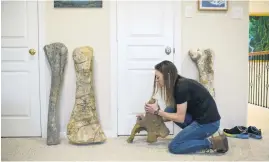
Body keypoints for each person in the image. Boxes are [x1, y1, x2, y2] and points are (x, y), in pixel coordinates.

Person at [142, 60, 229, 154]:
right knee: (170, 109)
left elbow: (180, 118)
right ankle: (196, 136)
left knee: (174, 147)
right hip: (200, 118)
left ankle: (214, 143)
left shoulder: (181, 88)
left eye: (158, 77)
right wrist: (149, 117)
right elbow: (172, 114)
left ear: (167, 76)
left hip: (209, 124)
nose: (156, 80)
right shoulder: (178, 83)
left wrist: (157, 111)